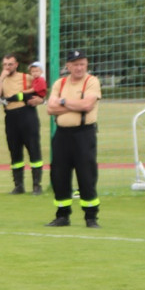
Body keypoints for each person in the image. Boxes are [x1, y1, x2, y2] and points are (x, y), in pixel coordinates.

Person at [45, 49, 102, 228]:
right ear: (68, 66)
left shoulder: (91, 82)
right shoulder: (59, 83)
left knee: (86, 174)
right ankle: (62, 215)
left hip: (84, 134)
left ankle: (91, 217)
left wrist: (63, 102)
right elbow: (50, 109)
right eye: (76, 64)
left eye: (82, 64)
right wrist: (73, 106)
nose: (79, 68)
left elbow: (87, 105)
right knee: (59, 175)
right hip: (62, 135)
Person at [0, 53, 45, 195]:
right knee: (14, 151)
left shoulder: (26, 77)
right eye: (5, 65)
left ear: (16, 65)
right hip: (11, 117)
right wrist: (1, 78)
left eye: (10, 64)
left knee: (33, 149)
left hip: (27, 115)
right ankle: (18, 185)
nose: (7, 67)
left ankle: (37, 185)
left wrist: (41, 101)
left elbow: (41, 91)